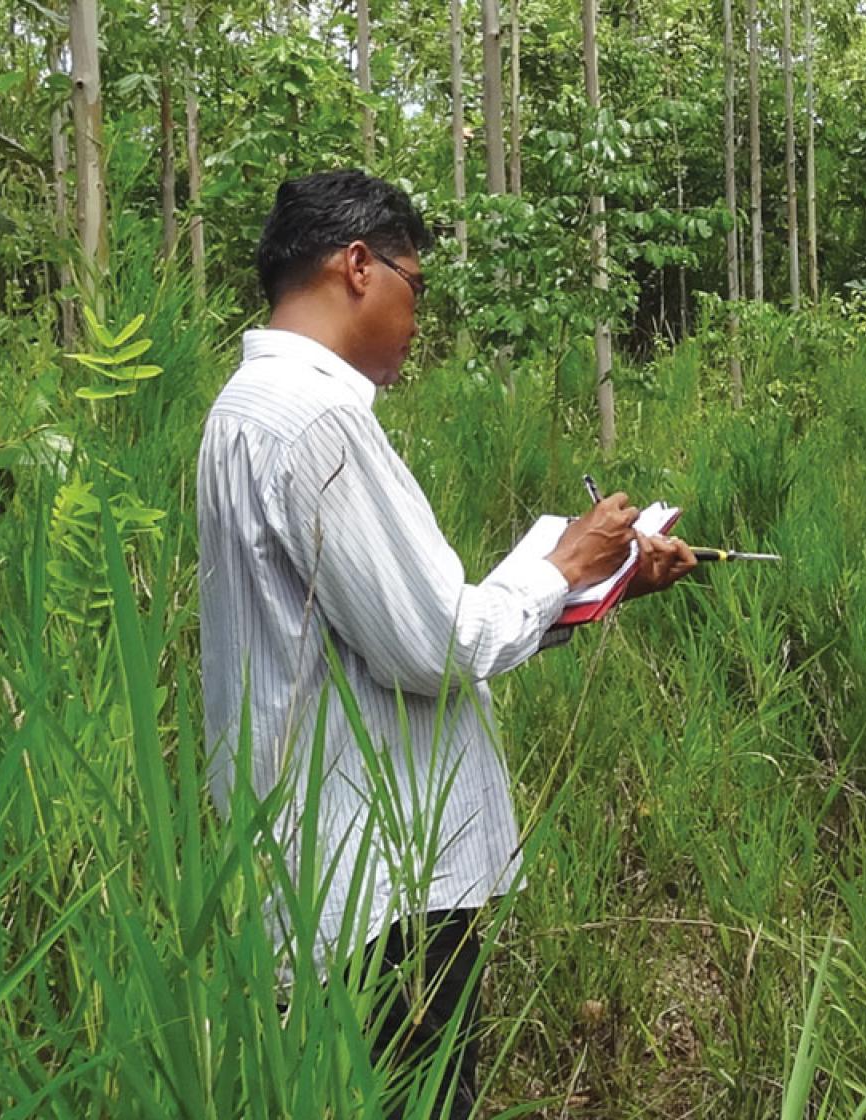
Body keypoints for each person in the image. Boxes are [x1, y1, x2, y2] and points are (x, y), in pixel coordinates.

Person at [196, 170, 695, 1117]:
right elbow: (435, 647)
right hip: (380, 880)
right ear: (356, 267)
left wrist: (595, 585)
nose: (417, 317)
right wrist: (561, 561)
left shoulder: (245, 408)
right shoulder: (318, 421)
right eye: (413, 286)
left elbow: (369, 637)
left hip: (308, 861)